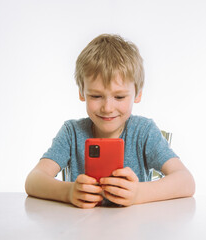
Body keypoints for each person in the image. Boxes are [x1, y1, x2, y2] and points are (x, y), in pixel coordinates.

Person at [25, 34, 195, 208]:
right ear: (82, 93)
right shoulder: (71, 133)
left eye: (119, 96)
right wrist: (68, 192)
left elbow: (186, 181)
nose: (107, 108)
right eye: (96, 96)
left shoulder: (144, 131)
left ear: (138, 94)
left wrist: (138, 194)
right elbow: (34, 180)